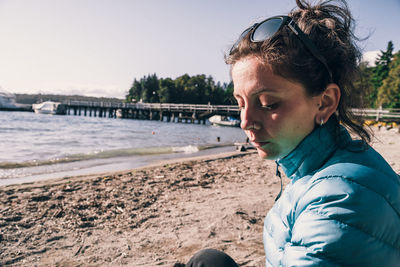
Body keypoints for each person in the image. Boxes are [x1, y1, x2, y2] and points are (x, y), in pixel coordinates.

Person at [177, 0, 400, 266]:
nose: (245, 122)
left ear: (325, 102)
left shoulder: (339, 201)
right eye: (240, 103)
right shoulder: (330, 167)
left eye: (268, 104)